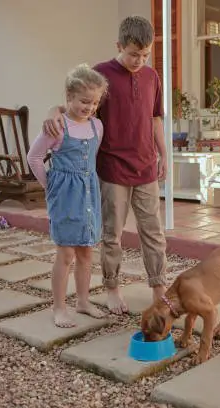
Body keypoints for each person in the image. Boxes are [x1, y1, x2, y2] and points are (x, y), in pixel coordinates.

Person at [42, 16, 168, 315]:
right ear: (119, 46)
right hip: (112, 169)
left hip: (146, 167)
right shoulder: (101, 73)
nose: (139, 60)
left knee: (154, 233)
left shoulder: (152, 77)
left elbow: (155, 119)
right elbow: (77, 102)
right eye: (133, 54)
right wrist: (53, 109)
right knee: (112, 233)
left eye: (145, 54)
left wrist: (164, 154)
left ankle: (159, 290)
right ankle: (112, 287)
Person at [27, 63, 108, 327]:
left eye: (94, 102)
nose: (90, 107)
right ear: (69, 97)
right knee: (65, 254)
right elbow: (35, 157)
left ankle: (83, 301)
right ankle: (59, 307)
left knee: (86, 253)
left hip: (88, 196)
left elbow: (90, 160)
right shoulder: (57, 126)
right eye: (84, 101)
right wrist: (48, 185)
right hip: (65, 197)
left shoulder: (97, 126)